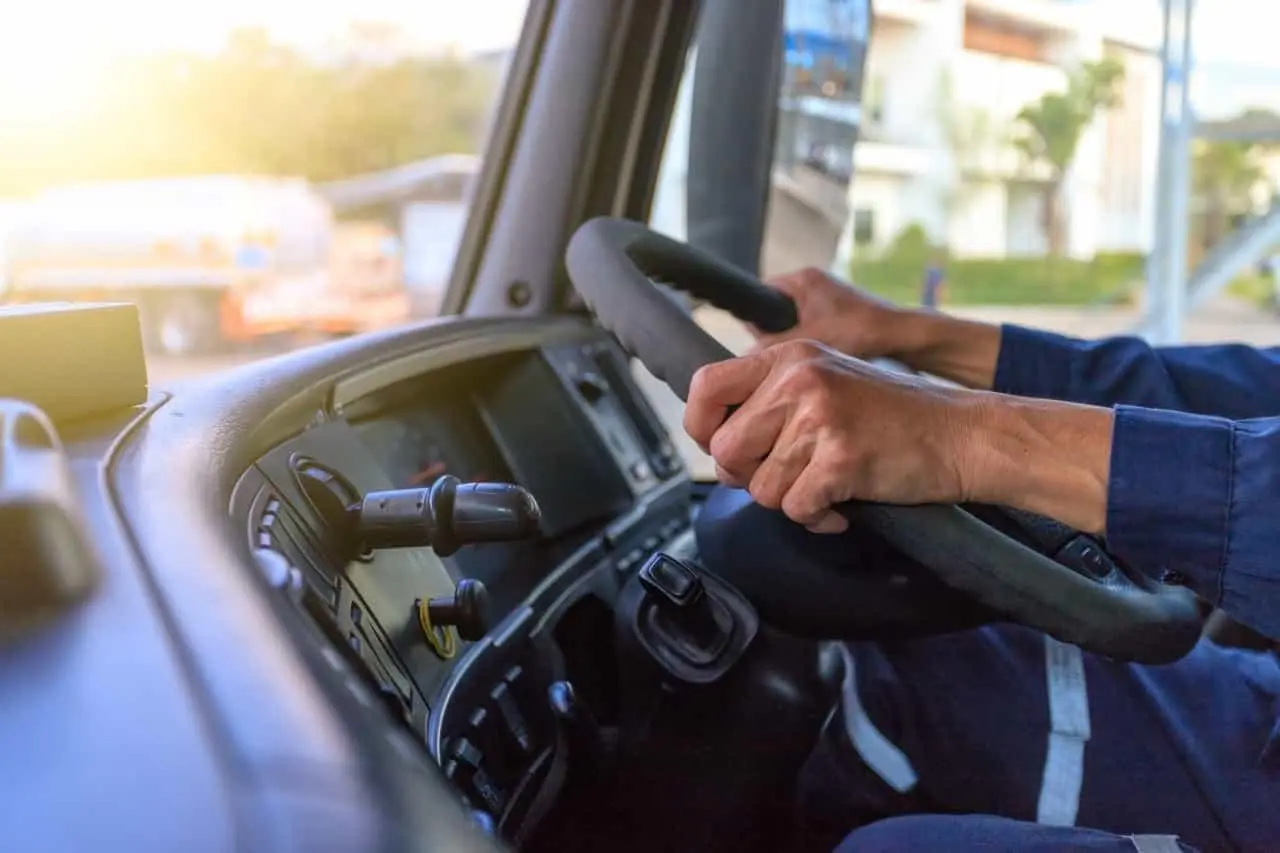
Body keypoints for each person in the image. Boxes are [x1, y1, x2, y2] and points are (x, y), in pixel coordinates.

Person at [683, 267, 1280, 853]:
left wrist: (967, 438)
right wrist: (900, 335)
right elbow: (1241, 398)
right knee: (909, 661)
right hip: (1259, 706)